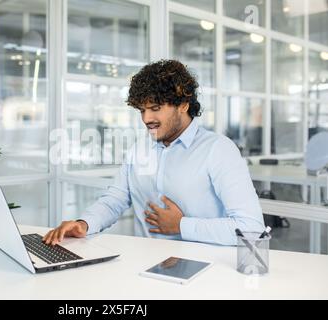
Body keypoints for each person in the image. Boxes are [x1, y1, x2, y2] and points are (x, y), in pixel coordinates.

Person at [43, 60, 265, 246]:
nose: (146, 118)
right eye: (142, 110)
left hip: (204, 275)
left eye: (156, 108)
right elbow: (116, 199)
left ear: (183, 104)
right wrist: (84, 223)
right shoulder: (139, 149)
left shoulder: (218, 150)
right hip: (147, 268)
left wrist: (181, 225)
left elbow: (251, 227)